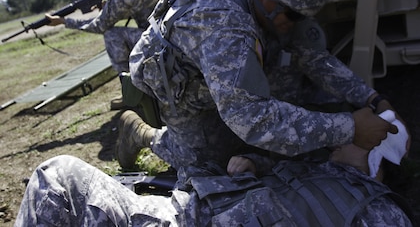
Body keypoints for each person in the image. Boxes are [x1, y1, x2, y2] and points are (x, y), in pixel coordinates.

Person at [120, 0, 406, 173]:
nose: (298, 23)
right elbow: (250, 116)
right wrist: (348, 127)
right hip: (178, 86)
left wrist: (372, 98)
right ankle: (141, 133)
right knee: (207, 166)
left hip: (220, 75)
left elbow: (316, 59)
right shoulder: (221, 23)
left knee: (273, 130)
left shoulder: (272, 2)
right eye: (294, 15)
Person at [14, 144, 415, 226]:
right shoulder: (321, 169)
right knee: (60, 174)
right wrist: (249, 170)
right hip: (172, 212)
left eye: (361, 143)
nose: (344, 142)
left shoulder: (381, 211)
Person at [45, 0, 174, 110]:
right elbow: (147, 5)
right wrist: (111, 6)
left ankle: (133, 92)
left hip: (165, 41)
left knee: (111, 34)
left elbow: (99, 25)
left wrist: (63, 21)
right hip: (175, 30)